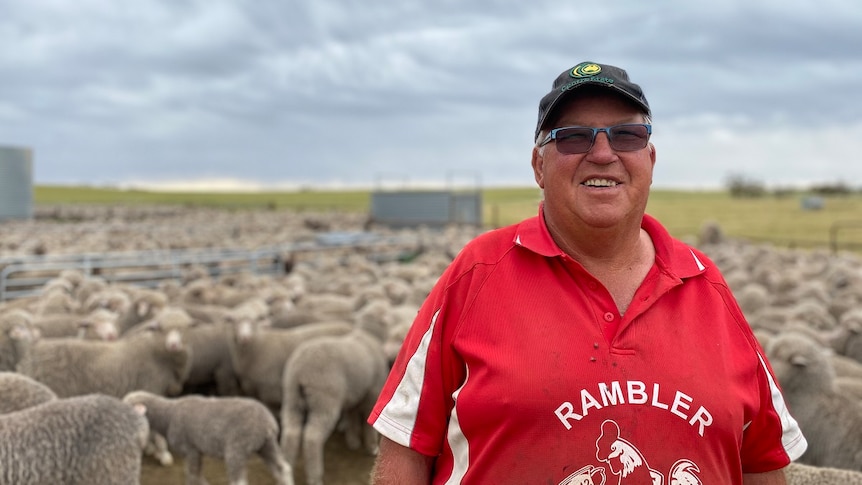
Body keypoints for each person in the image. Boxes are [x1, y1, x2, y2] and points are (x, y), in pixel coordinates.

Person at [367, 61, 807, 484]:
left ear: (649, 159)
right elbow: (406, 446)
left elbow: (762, 459)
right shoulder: (478, 274)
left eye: (627, 136)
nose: (602, 153)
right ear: (539, 166)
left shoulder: (706, 284)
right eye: (574, 138)